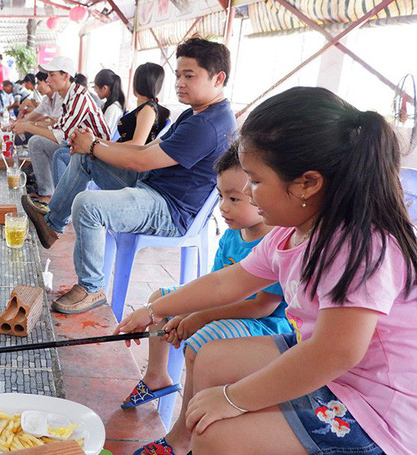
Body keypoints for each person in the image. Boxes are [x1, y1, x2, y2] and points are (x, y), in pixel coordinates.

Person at [116, 86, 417, 455]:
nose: (249, 192)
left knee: (216, 434)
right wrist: (153, 311)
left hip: (379, 406)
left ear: (308, 182)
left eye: (255, 181)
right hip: (330, 360)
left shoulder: (360, 245)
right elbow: (227, 282)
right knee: (211, 357)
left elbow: (336, 353)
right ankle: (185, 446)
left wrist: (233, 399)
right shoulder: (292, 233)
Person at [23, 38, 235, 313]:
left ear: (218, 78)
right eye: (178, 75)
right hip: (153, 186)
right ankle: (52, 224)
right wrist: (93, 145)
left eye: (189, 76)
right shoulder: (195, 114)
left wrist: (96, 144)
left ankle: (92, 287)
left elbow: (141, 160)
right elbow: (147, 148)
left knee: (88, 205)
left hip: (169, 209)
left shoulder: (208, 124)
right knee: (85, 156)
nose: (180, 83)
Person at [124, 143, 293, 455]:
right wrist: (159, 309)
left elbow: (259, 306)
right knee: (162, 299)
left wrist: (199, 317)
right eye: (220, 196)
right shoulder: (233, 233)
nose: (223, 207)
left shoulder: (277, 239)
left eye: (235, 197)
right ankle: (157, 376)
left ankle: (183, 435)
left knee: (202, 343)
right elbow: (218, 283)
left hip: (265, 322)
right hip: (229, 303)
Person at [12, 56, 110, 205]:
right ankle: (47, 194)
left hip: (96, 151)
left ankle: (60, 205)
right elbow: (60, 128)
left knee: (59, 154)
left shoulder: (79, 97)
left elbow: (62, 136)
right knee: (36, 142)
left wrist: (27, 127)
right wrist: (33, 126)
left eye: (52, 75)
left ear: (66, 76)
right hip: (78, 144)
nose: (48, 80)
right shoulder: (67, 96)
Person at [50, 66, 168, 186]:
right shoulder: (146, 108)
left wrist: (95, 145)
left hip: (127, 165)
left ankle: (60, 203)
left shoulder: (148, 109)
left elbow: (137, 145)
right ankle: (65, 202)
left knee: (72, 156)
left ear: (136, 84)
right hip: (123, 156)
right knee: (74, 152)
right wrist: (95, 141)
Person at [0, 71, 61, 148]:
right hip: (50, 131)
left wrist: (30, 125)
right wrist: (3, 129)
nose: (37, 88)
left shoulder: (59, 99)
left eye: (39, 84)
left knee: (31, 131)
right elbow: (29, 118)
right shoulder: (46, 100)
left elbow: (53, 124)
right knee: (26, 126)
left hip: (57, 136)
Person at [93, 69, 125, 134]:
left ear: (104, 88)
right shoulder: (110, 106)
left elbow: (104, 135)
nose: (96, 92)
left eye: (96, 89)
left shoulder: (113, 109)